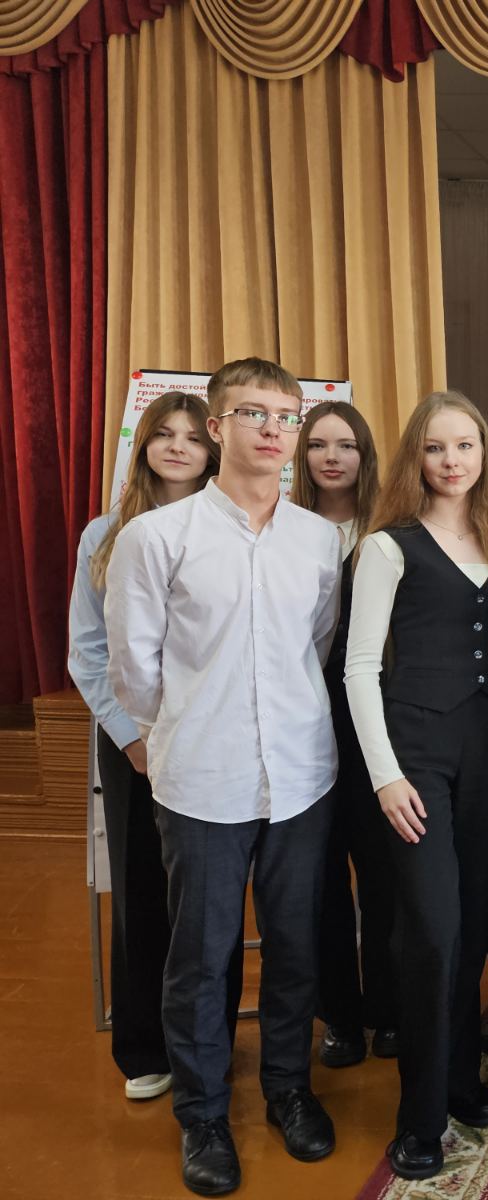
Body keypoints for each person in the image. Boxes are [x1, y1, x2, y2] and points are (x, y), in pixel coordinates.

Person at [105, 358, 343, 1197]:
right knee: (202, 958)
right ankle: (203, 1113)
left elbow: (316, 644)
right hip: (202, 778)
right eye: (254, 413)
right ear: (217, 427)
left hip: (302, 774)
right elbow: (134, 669)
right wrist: (187, 727)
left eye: (287, 415)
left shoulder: (318, 539)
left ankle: (287, 1089)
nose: (274, 429)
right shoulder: (155, 538)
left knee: (295, 947)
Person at [345, 391, 488, 1181]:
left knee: (473, 927)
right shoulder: (388, 547)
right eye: (436, 447)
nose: (452, 460)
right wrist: (385, 776)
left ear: (485, 455)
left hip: (486, 753)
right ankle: (418, 1117)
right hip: (415, 756)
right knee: (433, 932)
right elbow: (359, 669)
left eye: (465, 446)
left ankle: (459, 1080)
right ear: (416, 457)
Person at [69, 391, 245, 1106]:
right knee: (142, 890)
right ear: (142, 445)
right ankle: (144, 1044)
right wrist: (133, 736)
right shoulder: (105, 534)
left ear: (212, 447)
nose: (177, 447)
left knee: (210, 900)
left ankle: (209, 1042)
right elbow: (89, 651)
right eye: (162, 434)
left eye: (192, 437)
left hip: (212, 737)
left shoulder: (234, 527)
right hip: (134, 743)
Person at [290, 401, 399, 1068]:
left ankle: (387, 1009)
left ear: (365, 456)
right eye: (318, 445)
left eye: (347, 445)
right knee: (320, 877)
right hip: (301, 722)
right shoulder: (282, 530)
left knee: (384, 872)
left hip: (374, 720)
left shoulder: (389, 531)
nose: (332, 457)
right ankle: (338, 1016)